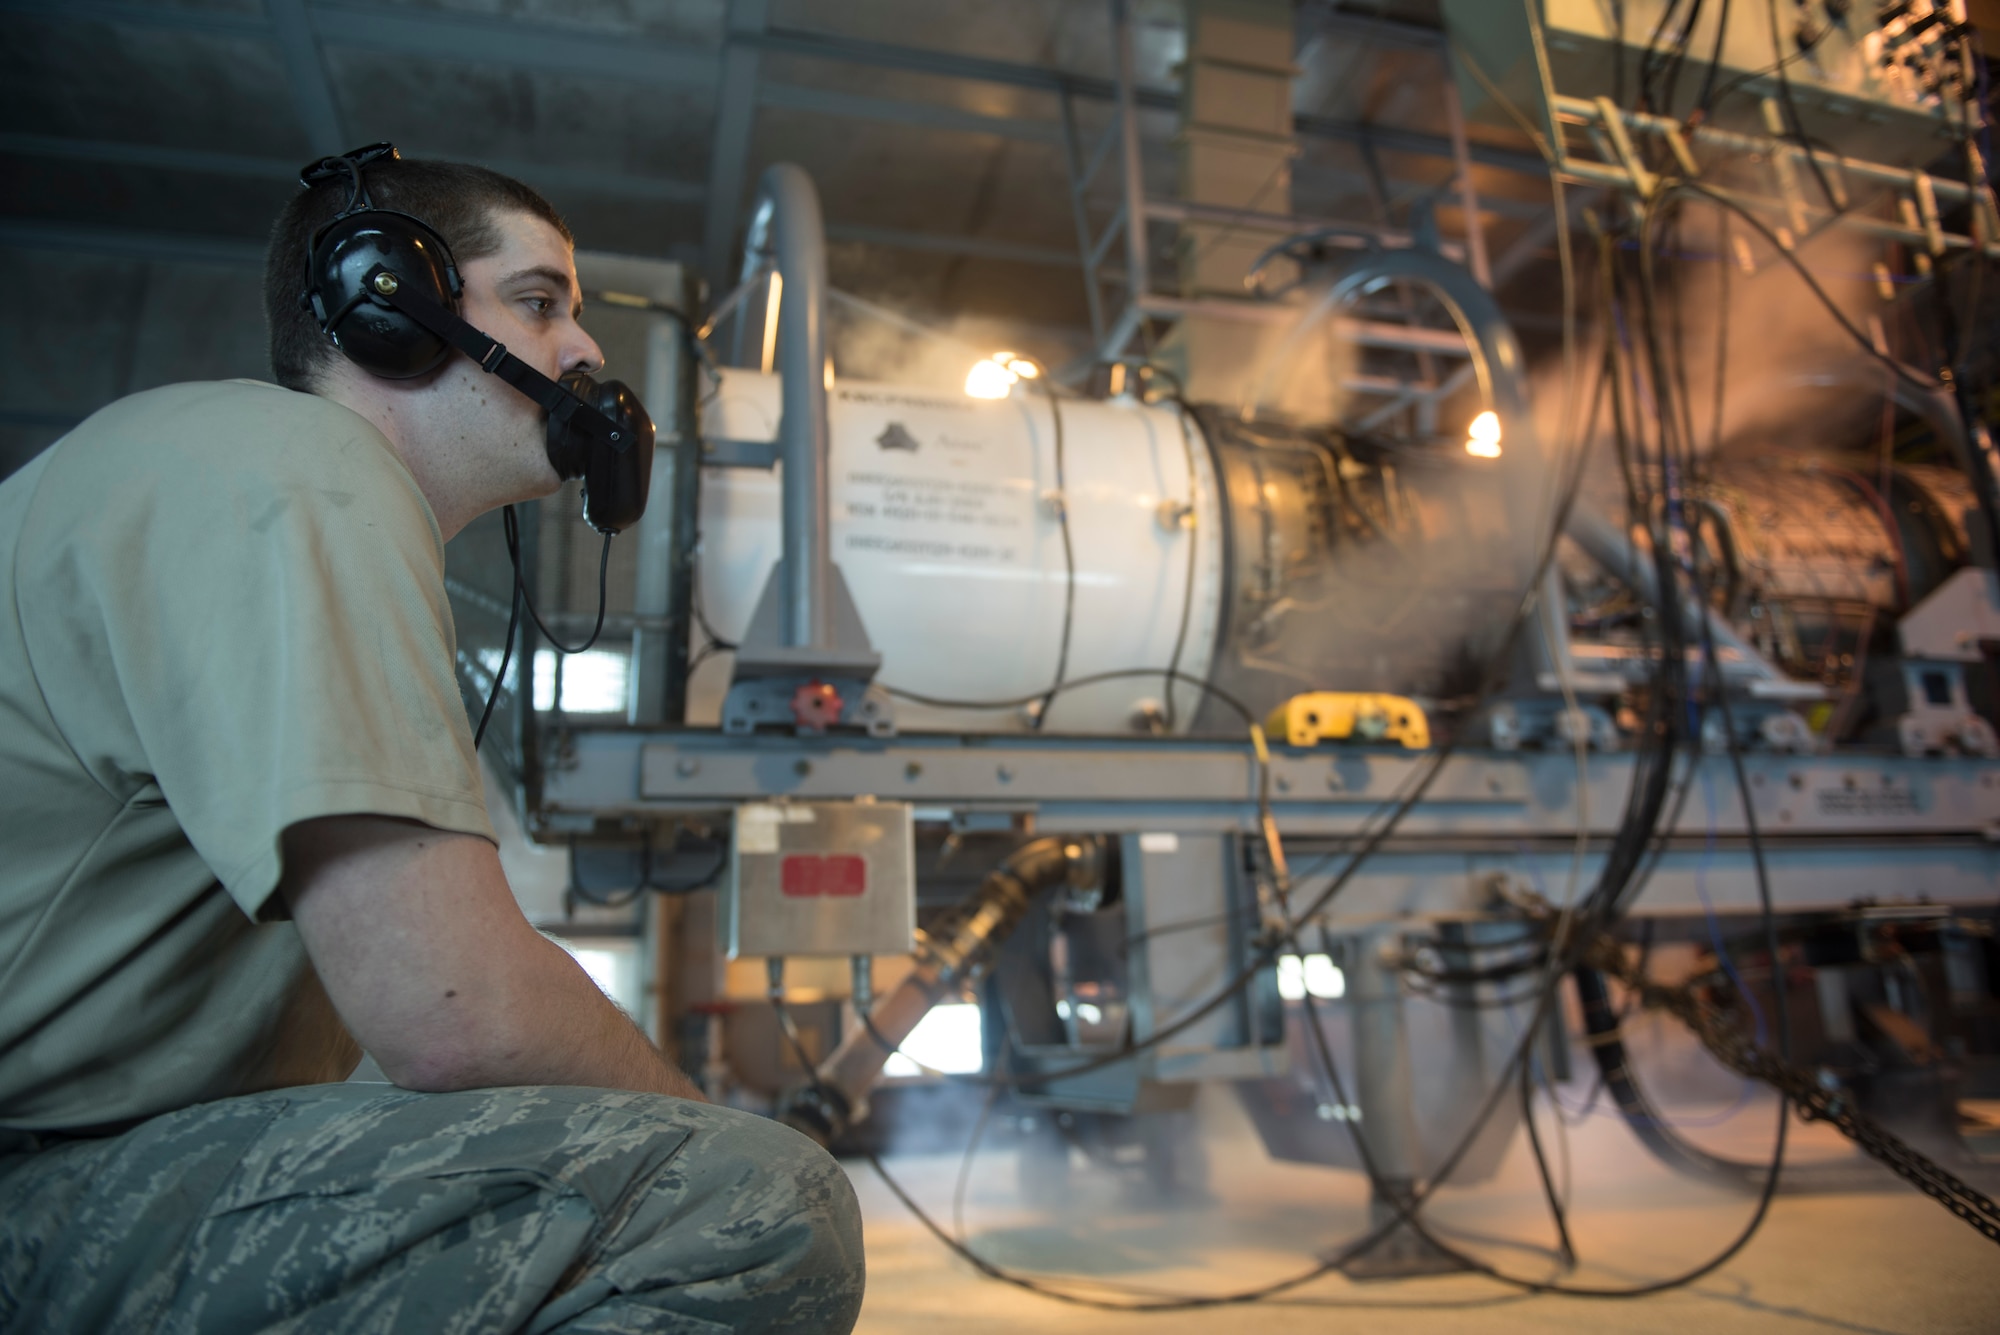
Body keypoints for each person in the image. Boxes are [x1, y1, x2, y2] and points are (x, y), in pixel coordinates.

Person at [0, 150, 864, 1333]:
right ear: (385, 301)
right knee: (754, 1200)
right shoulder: (297, 478)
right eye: (539, 300)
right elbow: (454, 1012)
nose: (584, 354)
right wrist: (702, 1122)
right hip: (29, 1176)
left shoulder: (247, 475)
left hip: (77, 1137)